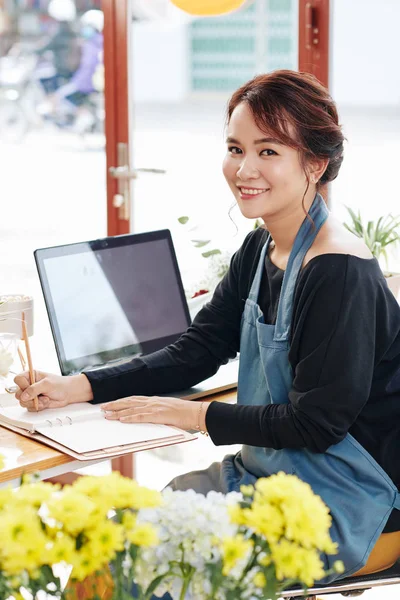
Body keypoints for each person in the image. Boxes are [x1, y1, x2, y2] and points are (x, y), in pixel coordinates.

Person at [15, 70, 400, 584]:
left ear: (315, 163)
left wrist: (192, 417)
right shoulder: (262, 248)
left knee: (137, 570)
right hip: (271, 478)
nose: (244, 168)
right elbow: (199, 349)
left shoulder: (338, 272)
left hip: (350, 504)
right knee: (118, 545)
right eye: (235, 148)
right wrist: (78, 386)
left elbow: (317, 424)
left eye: (268, 152)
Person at [47, 9, 103, 129]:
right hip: (90, 82)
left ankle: (83, 118)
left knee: (58, 95)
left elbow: (87, 69)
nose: (84, 29)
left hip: (85, 83)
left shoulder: (92, 45)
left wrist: (75, 82)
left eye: (87, 26)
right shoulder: (97, 42)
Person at [35, 0, 81, 94]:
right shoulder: (69, 27)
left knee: (40, 76)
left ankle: (51, 101)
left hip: (62, 70)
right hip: (67, 68)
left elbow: (46, 46)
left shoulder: (60, 30)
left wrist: (31, 50)